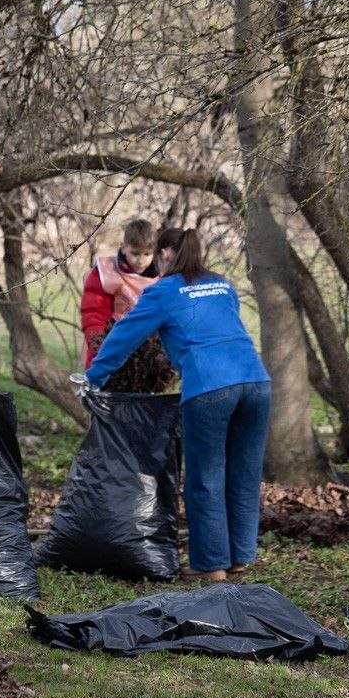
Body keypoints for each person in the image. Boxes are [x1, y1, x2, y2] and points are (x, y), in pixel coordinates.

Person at [83, 228, 271, 582]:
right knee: (244, 474)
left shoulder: (163, 291)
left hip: (210, 387)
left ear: (165, 254)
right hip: (256, 381)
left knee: (206, 477)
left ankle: (212, 566)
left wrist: (94, 376)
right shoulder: (223, 285)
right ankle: (239, 559)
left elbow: (124, 335)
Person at [80, 219, 176, 393]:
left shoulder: (163, 277)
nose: (141, 260)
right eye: (135, 253)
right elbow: (93, 314)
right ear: (123, 247)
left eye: (147, 254)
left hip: (149, 358)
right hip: (110, 347)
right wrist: (101, 351)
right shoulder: (105, 273)